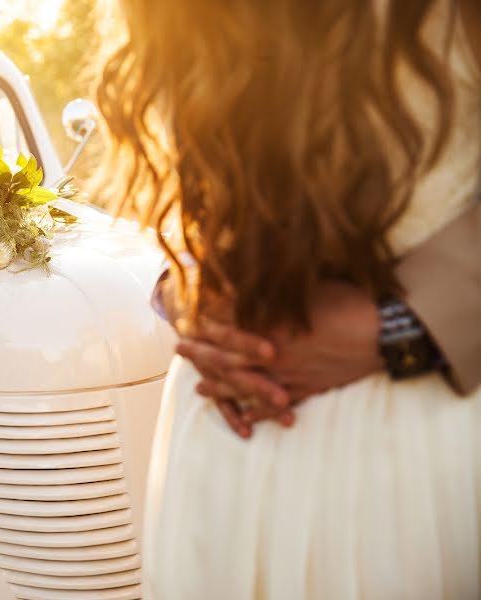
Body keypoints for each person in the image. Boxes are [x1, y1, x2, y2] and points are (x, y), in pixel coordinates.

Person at [97, 0, 480, 597]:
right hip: (226, 436)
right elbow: (202, 188)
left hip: (425, 409)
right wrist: (193, 290)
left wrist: (404, 326)